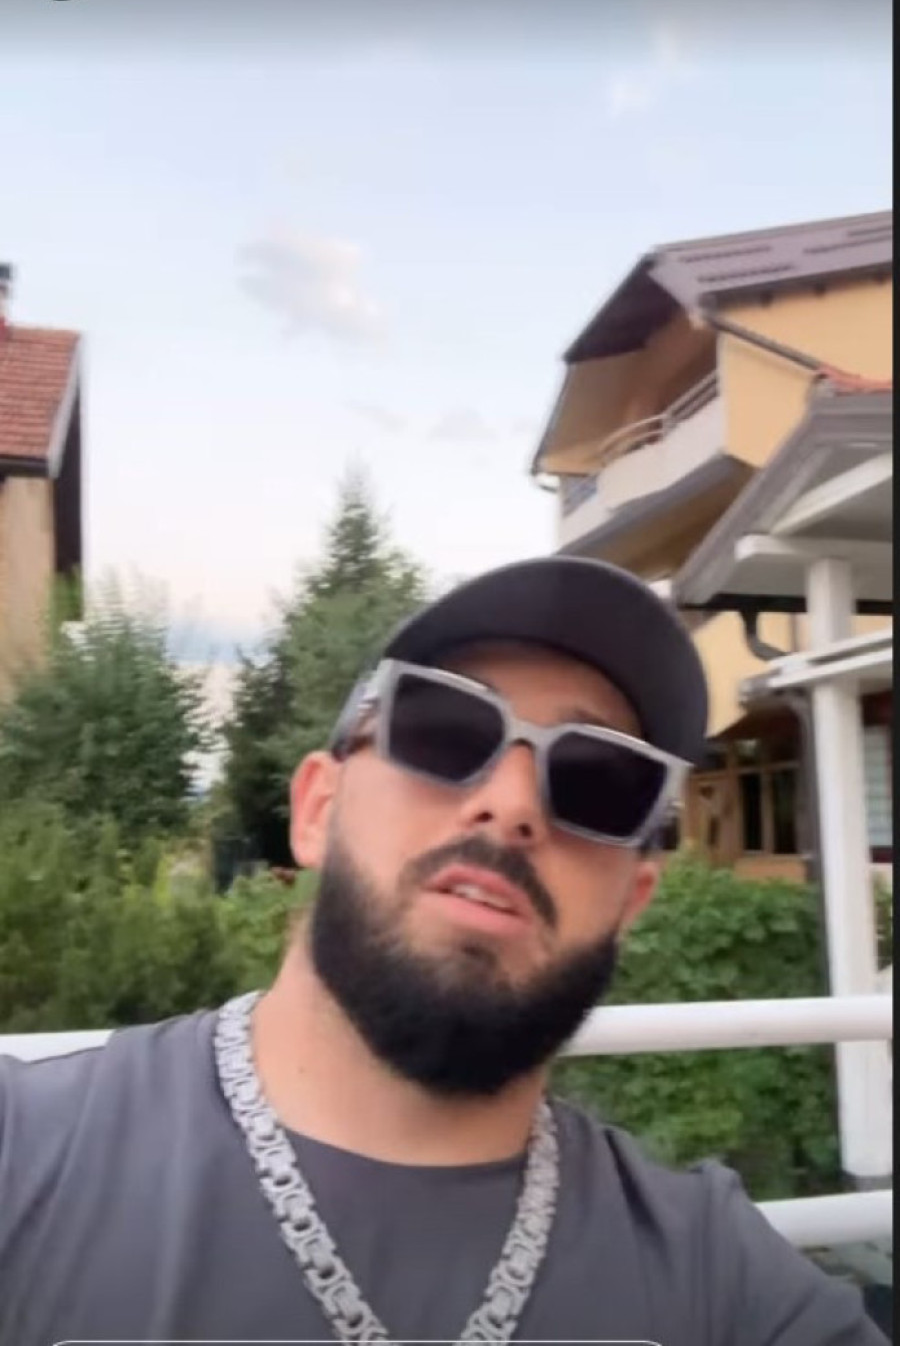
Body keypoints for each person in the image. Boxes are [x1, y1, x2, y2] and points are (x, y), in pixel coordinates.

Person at [0, 557, 887, 1345]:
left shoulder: (717, 1277)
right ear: (316, 810)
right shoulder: (25, 1154)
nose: (512, 804)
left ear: (632, 904)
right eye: (445, 730)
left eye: (598, 778)